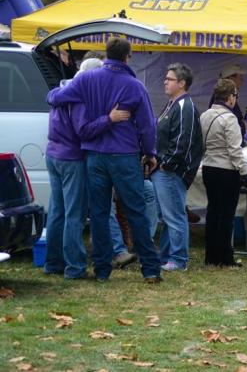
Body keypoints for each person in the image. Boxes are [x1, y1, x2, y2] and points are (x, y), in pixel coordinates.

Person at [46, 37, 162, 283]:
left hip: (94, 156)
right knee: (136, 211)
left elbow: (55, 98)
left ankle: (102, 270)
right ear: (128, 56)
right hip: (124, 156)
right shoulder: (134, 85)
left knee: (98, 213)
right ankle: (150, 269)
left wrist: (54, 93)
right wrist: (150, 152)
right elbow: (147, 125)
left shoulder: (87, 79)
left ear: (107, 55)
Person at [44, 58, 120, 279]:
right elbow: (83, 130)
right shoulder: (81, 97)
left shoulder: (62, 89)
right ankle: (75, 268)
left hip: (53, 154)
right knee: (74, 215)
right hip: (72, 158)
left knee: (57, 212)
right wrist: (109, 119)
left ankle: (53, 263)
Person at [152, 63, 203, 272]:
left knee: (174, 216)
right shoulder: (172, 104)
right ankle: (167, 255)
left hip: (171, 172)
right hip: (163, 171)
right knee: (167, 216)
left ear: (181, 83)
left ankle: (179, 258)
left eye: (170, 79)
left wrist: (166, 165)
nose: (165, 81)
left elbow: (183, 141)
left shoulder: (184, 106)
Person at [200, 78, 247, 267]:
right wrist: (244, 172)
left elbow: (201, 144)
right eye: (235, 95)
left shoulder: (205, 115)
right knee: (226, 215)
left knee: (212, 212)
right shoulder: (230, 118)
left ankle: (210, 256)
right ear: (229, 98)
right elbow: (235, 150)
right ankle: (225, 257)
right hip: (226, 170)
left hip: (209, 167)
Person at [212, 64, 247, 137]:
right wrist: (244, 126)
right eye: (240, 78)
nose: (242, 81)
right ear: (231, 79)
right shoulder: (220, 99)